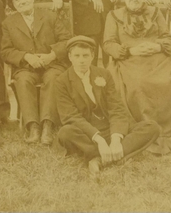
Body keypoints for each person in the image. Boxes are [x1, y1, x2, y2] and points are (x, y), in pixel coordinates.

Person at [103, 0, 171, 155]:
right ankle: (145, 131)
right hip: (128, 59)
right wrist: (130, 51)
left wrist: (157, 46)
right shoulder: (113, 15)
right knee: (138, 84)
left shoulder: (154, 12)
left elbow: (167, 37)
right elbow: (108, 44)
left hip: (156, 58)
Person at [55, 36, 160, 175]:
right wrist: (99, 140)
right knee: (65, 132)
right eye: (77, 55)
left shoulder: (104, 74)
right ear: (70, 57)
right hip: (87, 134)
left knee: (152, 127)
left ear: (92, 56)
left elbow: (116, 107)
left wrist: (116, 138)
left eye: (85, 55)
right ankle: (116, 155)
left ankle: (99, 158)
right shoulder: (62, 81)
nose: (81, 60)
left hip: (109, 128)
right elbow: (71, 117)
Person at [0, 0, 70, 145]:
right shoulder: (9, 23)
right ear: (13, 5)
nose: (23, 1)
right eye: (18, 0)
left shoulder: (49, 16)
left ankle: (47, 125)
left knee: (53, 78)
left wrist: (51, 55)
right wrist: (26, 57)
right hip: (26, 68)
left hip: (52, 64)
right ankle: (33, 126)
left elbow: (67, 40)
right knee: (23, 81)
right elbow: (5, 51)